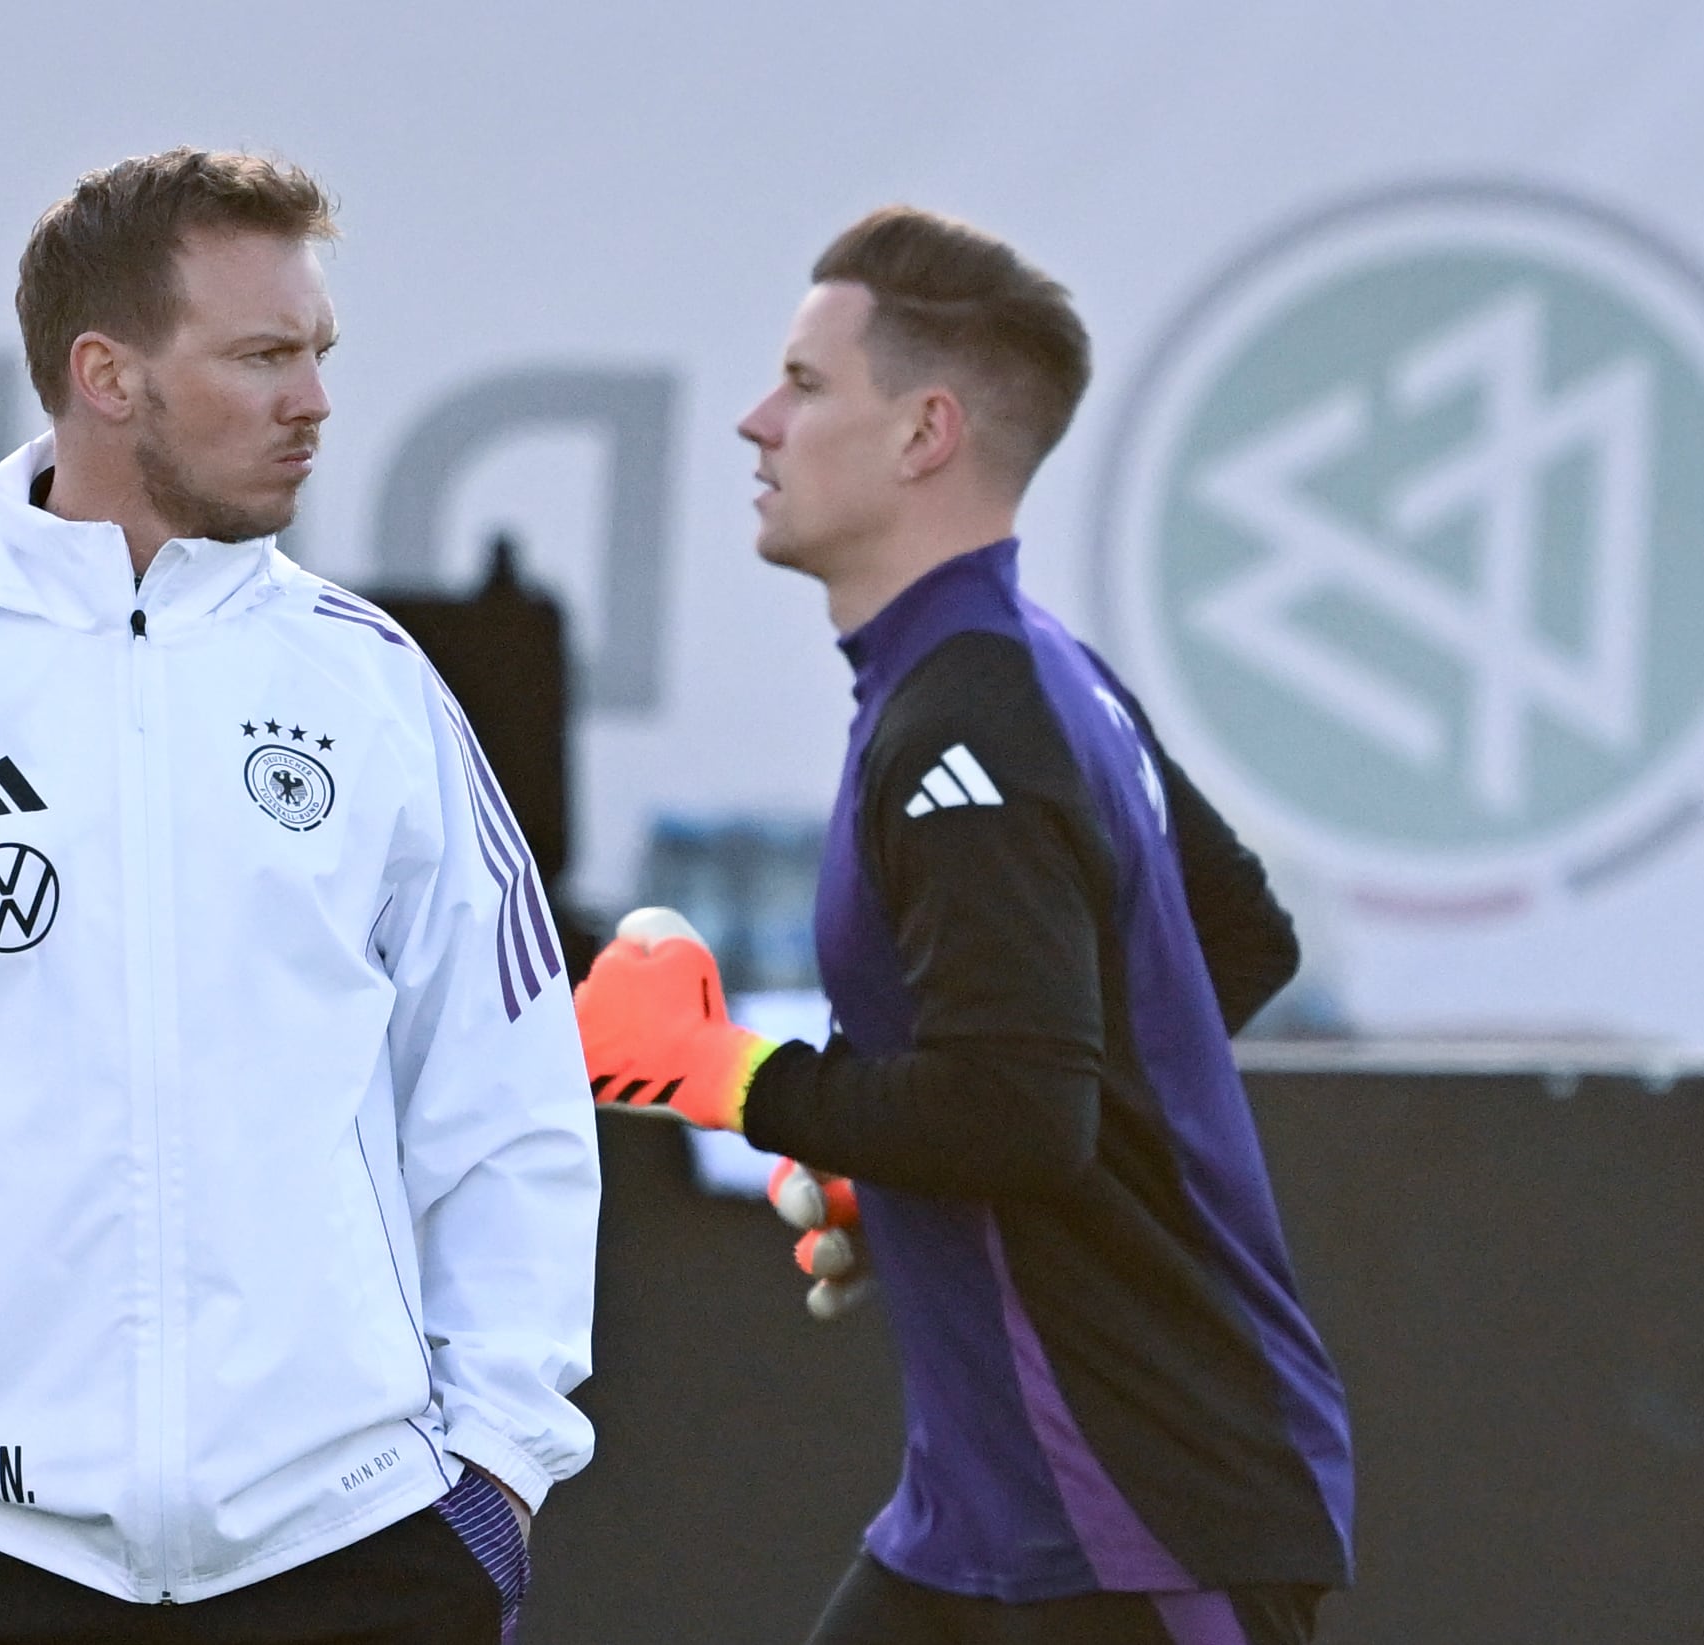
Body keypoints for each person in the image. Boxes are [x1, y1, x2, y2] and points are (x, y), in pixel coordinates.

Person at [0, 148, 596, 1645]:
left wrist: (497, 1473)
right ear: (108, 374)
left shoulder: (374, 687)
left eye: (320, 353)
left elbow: (512, 1105)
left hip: (354, 1554)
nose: (318, 401)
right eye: (265, 354)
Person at [575, 206, 1352, 1644]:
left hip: (1140, 1515)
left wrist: (733, 1075)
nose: (756, 423)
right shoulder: (1024, 671)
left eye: (806, 385)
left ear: (926, 432)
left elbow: (1022, 1106)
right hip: (996, 1519)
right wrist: (909, 1170)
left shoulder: (973, 711)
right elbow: (1228, 946)